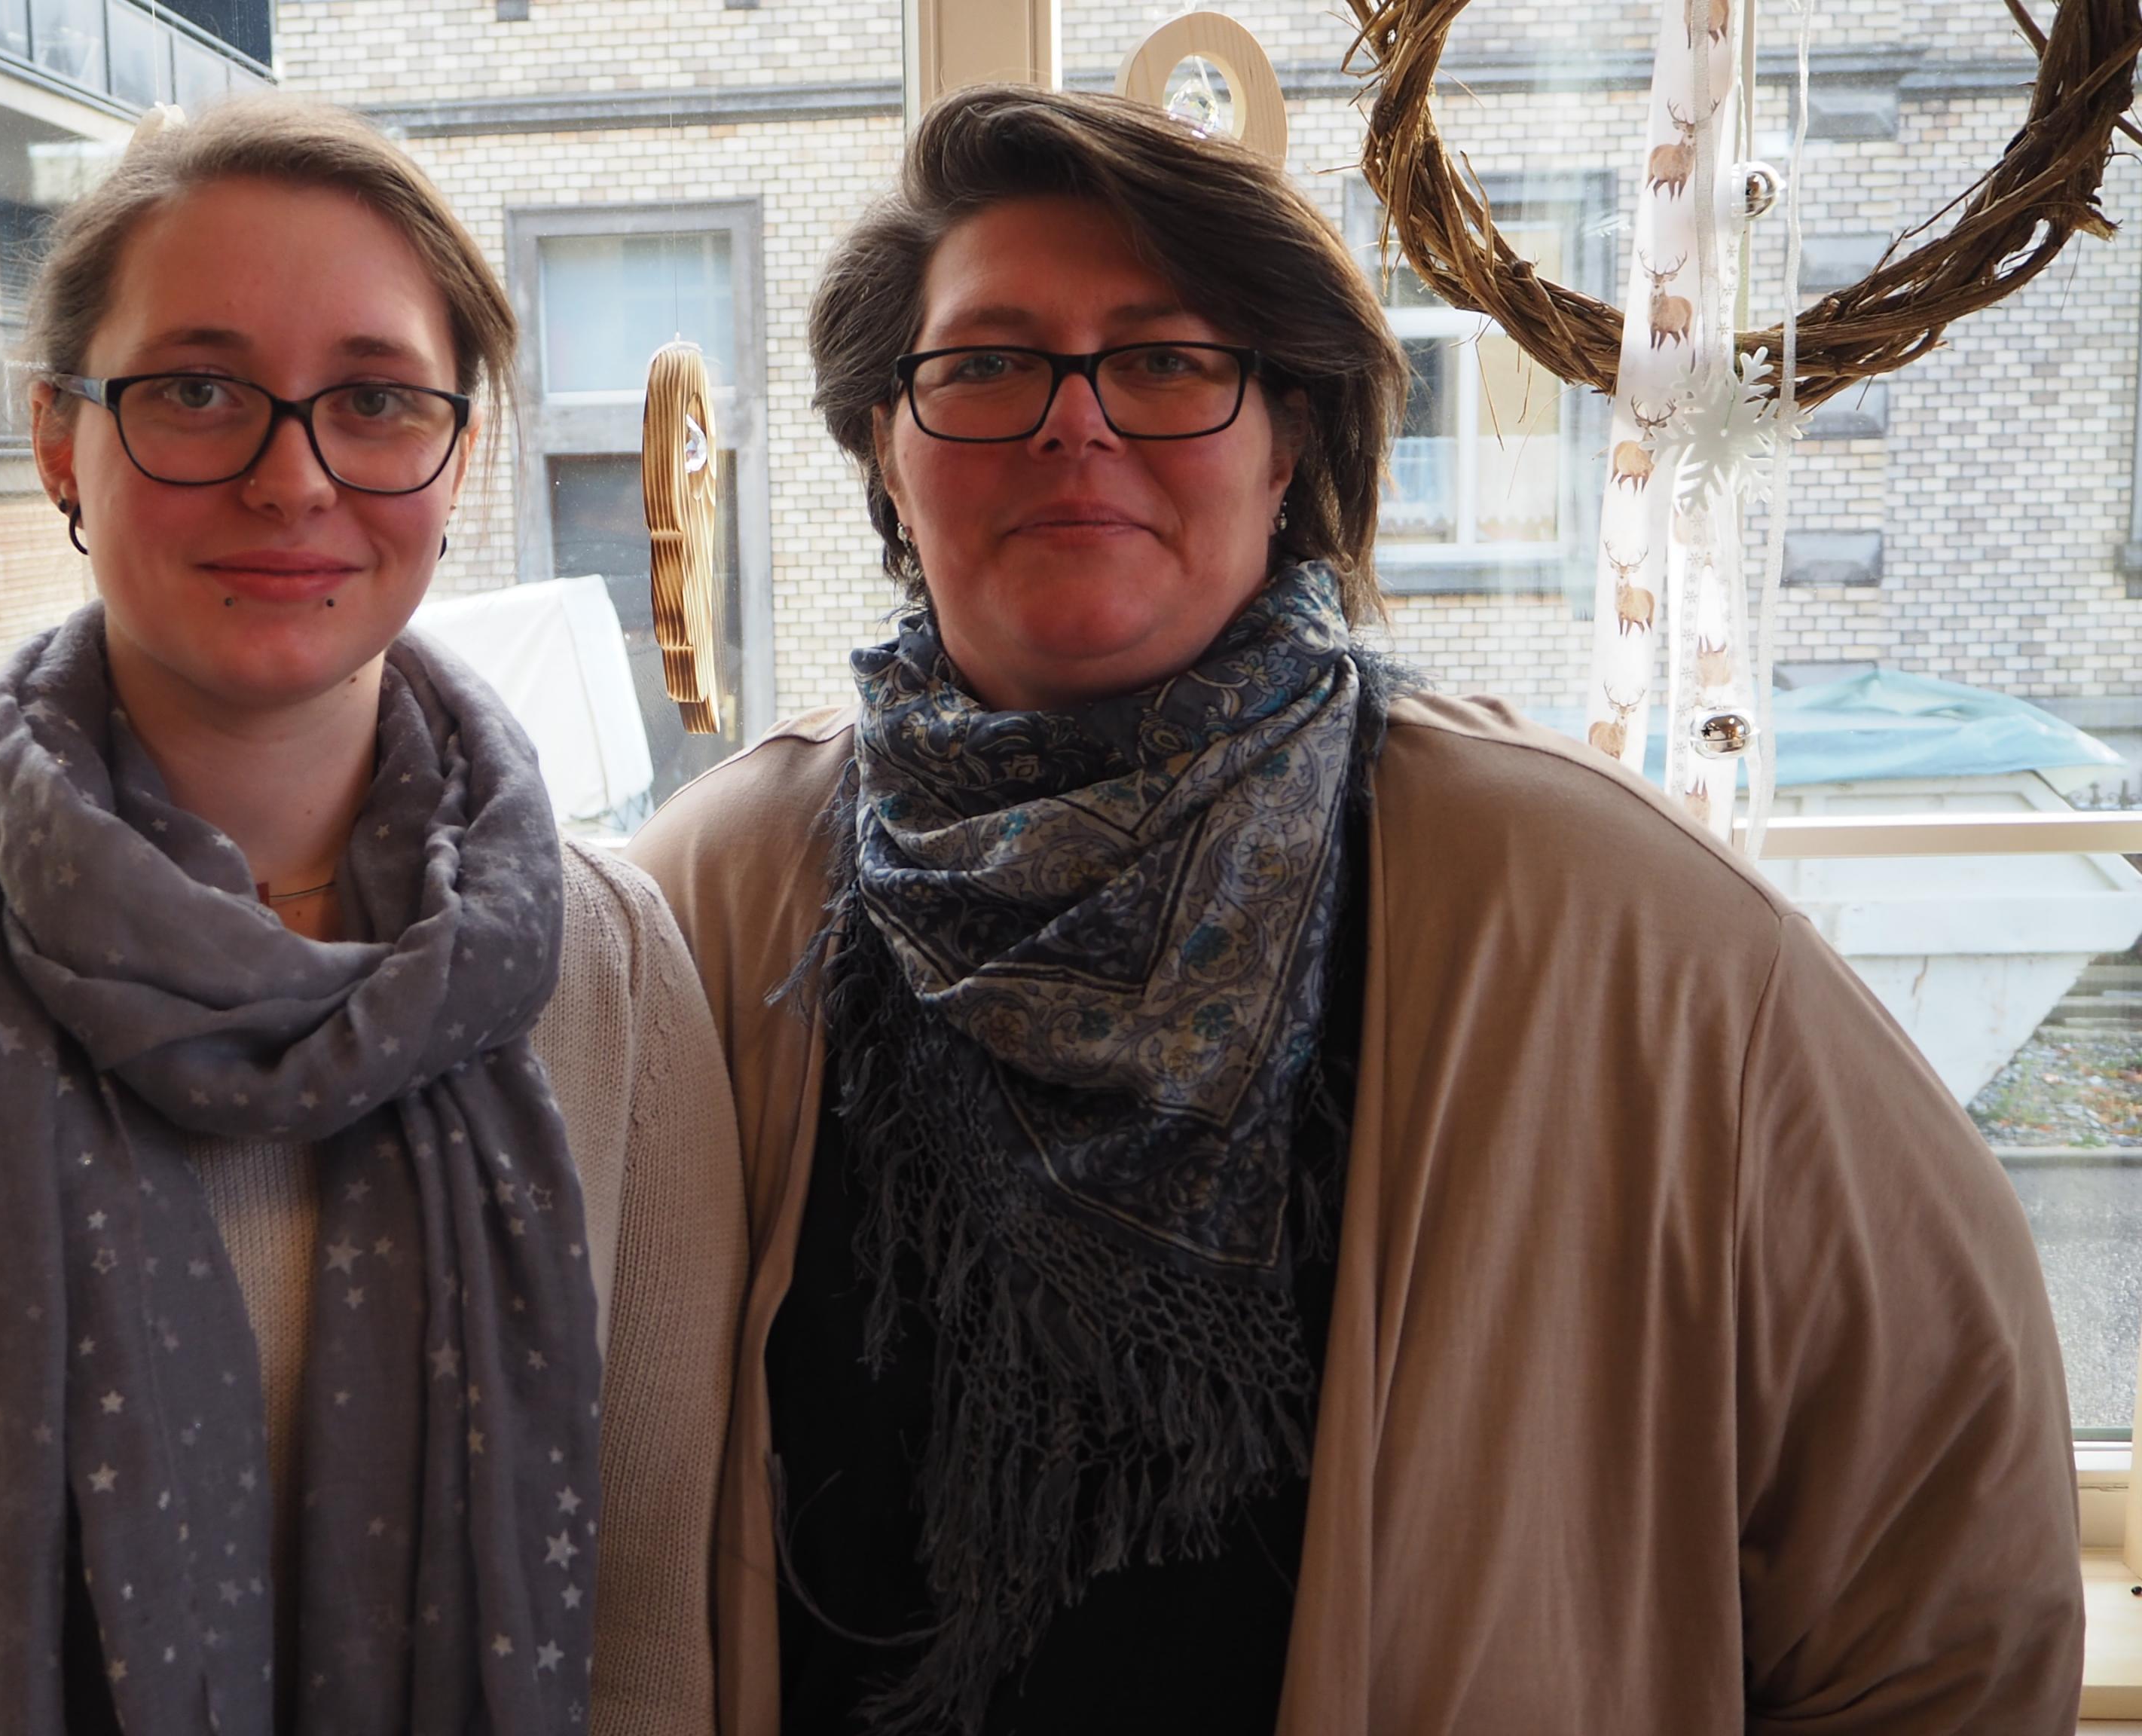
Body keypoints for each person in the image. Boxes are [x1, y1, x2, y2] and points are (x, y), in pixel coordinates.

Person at [626, 84, 2081, 1736]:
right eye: (983, 366)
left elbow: (1945, 1559)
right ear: (886, 452)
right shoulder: (704, 907)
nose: (1071, 425)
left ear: (1291, 439)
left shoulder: (1615, 919)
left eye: (1165, 361)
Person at [0, 98, 745, 1736]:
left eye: (375, 399)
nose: (293, 477)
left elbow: (638, 1659)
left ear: (455, 456)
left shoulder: (615, 971)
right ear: (58, 440)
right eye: (197, 391)